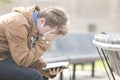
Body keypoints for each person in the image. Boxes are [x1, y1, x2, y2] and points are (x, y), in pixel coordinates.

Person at [0, 4, 68, 80]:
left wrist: (47, 70)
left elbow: (28, 56)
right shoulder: (18, 23)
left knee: (43, 75)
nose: (51, 37)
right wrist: (44, 41)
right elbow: (23, 60)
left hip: (7, 59)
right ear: (42, 21)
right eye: (51, 33)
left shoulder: (32, 25)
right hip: (3, 59)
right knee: (34, 76)